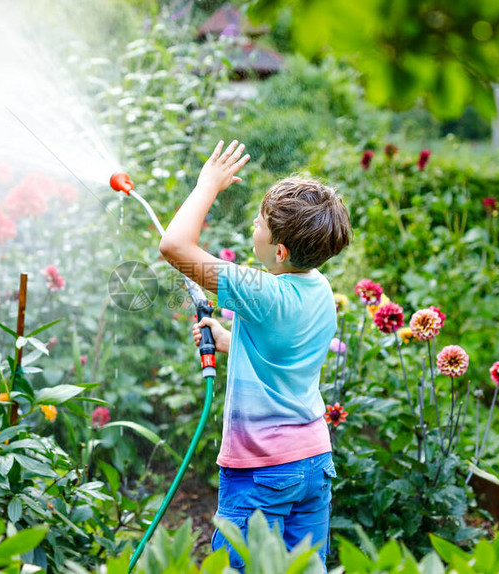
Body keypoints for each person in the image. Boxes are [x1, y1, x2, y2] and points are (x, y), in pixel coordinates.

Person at [158, 140, 351, 570]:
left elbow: (173, 246)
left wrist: (206, 184)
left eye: (260, 223)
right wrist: (230, 340)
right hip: (313, 462)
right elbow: (286, 353)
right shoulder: (318, 288)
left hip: (263, 467)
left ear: (279, 251)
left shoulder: (261, 291)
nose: (253, 225)